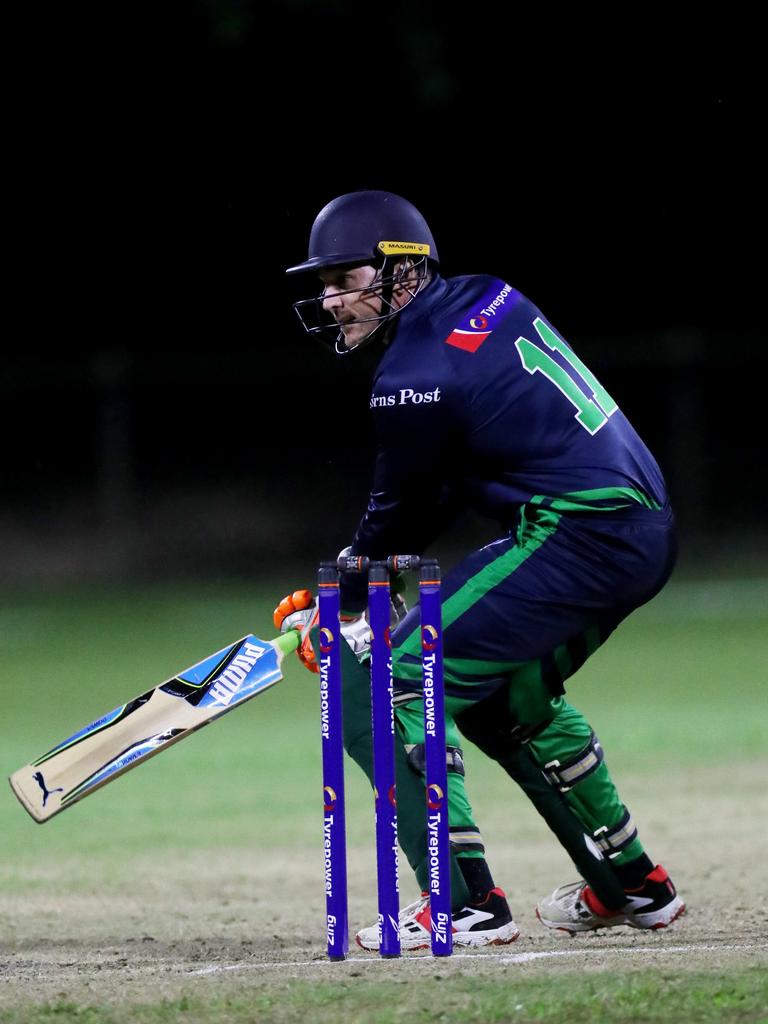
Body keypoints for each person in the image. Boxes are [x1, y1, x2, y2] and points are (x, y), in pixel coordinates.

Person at [276, 189, 685, 951]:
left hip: (580, 530)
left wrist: (348, 595)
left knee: (394, 680)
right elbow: (447, 483)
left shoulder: (410, 375)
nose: (331, 301)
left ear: (402, 270)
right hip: (642, 524)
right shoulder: (489, 297)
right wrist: (361, 580)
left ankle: (465, 904)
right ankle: (634, 885)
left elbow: (398, 510)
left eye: (345, 278)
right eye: (324, 284)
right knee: (506, 699)